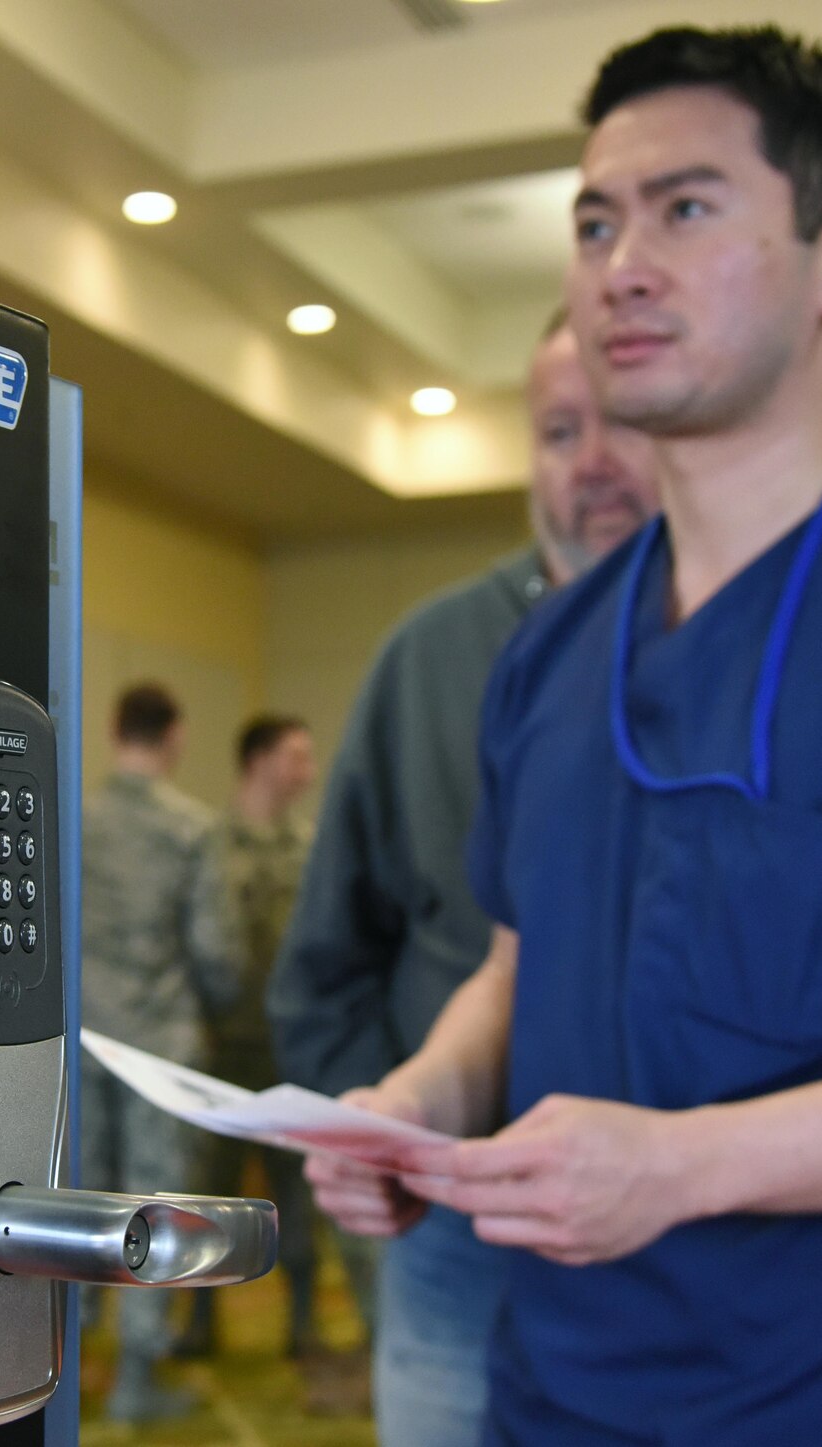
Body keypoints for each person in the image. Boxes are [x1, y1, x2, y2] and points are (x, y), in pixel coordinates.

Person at [310, 25, 822, 1445]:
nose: (618, 264)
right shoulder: (552, 651)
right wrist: (419, 1097)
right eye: (594, 218)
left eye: (686, 208)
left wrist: (688, 1164)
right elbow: (519, 971)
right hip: (561, 1396)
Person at [268, 311, 655, 1444]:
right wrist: (390, 1156)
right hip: (455, 1219)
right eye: (555, 431)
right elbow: (331, 955)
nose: (590, 463)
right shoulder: (434, 657)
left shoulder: (752, 646)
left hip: (686, 1224)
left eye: (620, 425)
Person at [79, 682, 237, 1424]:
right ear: (173, 736)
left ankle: (66, 1367)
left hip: (80, 1034)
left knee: (78, 1194)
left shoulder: (77, 820)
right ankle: (137, 1384)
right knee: (155, 1199)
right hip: (158, 1044)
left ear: (114, 730)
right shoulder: (193, 829)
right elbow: (217, 948)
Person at [177, 714, 320, 1364]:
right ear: (258, 760)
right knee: (214, 1188)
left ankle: (303, 1321)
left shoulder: (310, 845)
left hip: (290, 1046)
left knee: (298, 1188)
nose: (307, 769)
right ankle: (202, 1321)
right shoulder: (209, 841)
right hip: (223, 1046)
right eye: (296, 755)